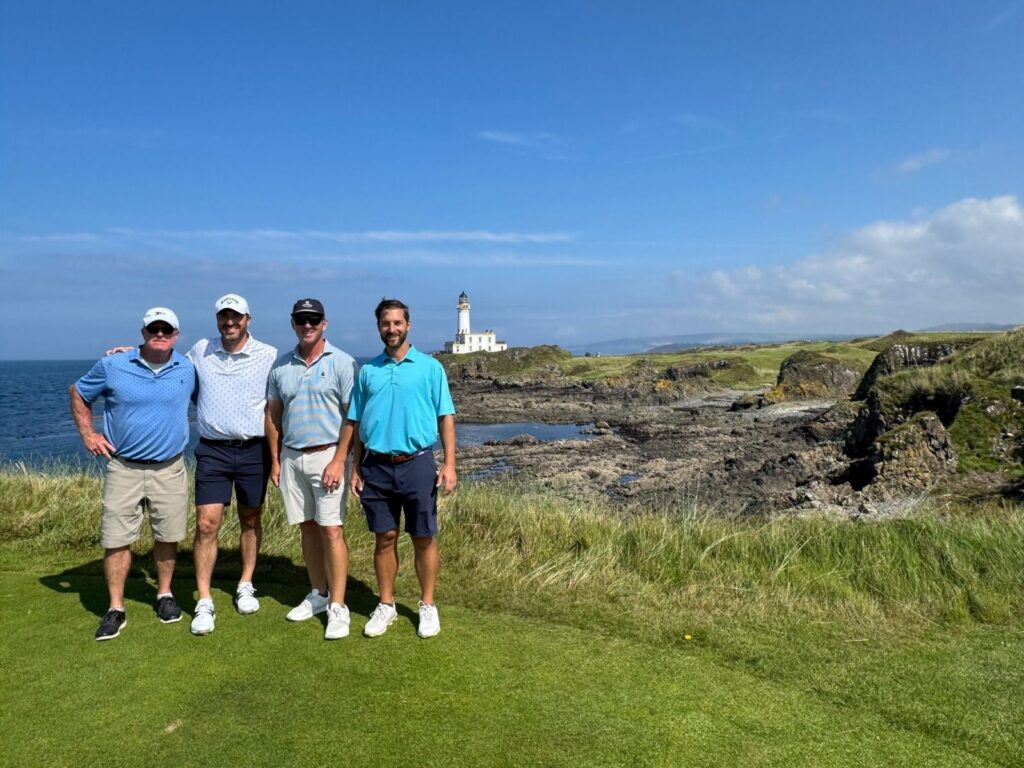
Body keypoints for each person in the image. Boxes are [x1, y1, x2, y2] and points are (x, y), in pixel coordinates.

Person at [331, 298, 456, 639]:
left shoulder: (430, 368)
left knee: (423, 537)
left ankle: (427, 605)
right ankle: (386, 604)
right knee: (384, 538)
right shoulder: (368, 371)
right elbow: (354, 420)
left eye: (397, 323)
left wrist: (449, 464)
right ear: (379, 328)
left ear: (408, 325)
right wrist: (355, 466)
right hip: (377, 467)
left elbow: (445, 417)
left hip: (417, 463)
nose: (392, 329)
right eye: (386, 324)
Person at [69, 308, 196, 641]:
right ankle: (116, 608)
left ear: (176, 334)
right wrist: (88, 435)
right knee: (116, 539)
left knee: (168, 535)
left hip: (169, 467)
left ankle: (164, 594)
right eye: (153, 328)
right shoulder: (114, 365)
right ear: (143, 332)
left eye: (165, 329)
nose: (159, 333)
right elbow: (79, 393)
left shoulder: (187, 367)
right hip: (123, 466)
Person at [265, 299, 358, 640]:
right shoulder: (280, 367)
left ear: (324, 323)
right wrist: (275, 460)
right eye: (302, 319)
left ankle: (338, 605)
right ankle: (318, 593)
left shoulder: (342, 363)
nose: (308, 325)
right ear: (293, 323)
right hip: (291, 456)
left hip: (327, 456)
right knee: (306, 527)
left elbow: (352, 416)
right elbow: (273, 416)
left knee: (331, 529)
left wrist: (340, 459)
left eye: (314, 319)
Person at [187, 294, 278, 636]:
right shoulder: (200, 350)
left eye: (236, 316)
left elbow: (278, 402)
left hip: (254, 450)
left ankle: (245, 583)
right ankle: (205, 600)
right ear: (217, 320)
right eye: (224, 317)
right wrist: (131, 352)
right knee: (207, 523)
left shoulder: (267, 355)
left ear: (247, 319)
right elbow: (170, 368)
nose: (230, 322)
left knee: (250, 518)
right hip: (213, 450)